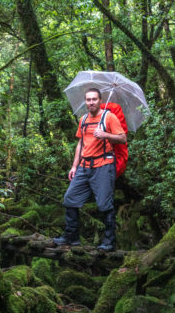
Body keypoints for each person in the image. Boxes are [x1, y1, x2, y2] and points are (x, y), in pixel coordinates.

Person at [53, 87, 127, 250]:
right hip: (84, 167)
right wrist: (74, 166)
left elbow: (122, 138)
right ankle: (71, 237)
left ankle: (109, 242)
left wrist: (105, 135)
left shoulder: (109, 117)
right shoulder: (84, 119)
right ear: (85, 102)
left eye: (94, 99)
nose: (91, 102)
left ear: (100, 100)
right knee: (70, 198)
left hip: (103, 166)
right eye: (88, 99)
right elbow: (80, 143)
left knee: (104, 205)